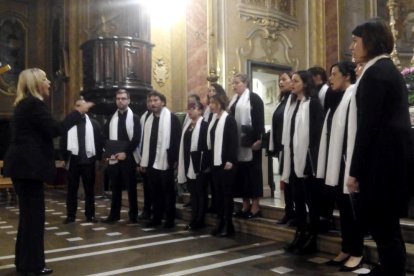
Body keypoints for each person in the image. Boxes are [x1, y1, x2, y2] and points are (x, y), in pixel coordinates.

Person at [3, 68, 93, 275]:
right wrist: (78, 112)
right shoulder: (34, 104)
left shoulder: (24, 104)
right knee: (33, 219)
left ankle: (25, 263)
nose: (49, 83)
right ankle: (32, 266)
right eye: (45, 79)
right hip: (28, 169)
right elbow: (55, 129)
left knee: (29, 218)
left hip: (24, 168)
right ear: (36, 83)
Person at [347, 18, 413, 276]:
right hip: (390, 163)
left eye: (355, 41)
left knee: (383, 227)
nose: (351, 47)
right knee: (388, 227)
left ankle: (392, 270)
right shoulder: (386, 70)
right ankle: (389, 267)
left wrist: (354, 171)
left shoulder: (375, 73)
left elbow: (367, 128)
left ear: (370, 41)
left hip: (381, 166)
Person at [316, 61, 364, 271]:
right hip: (337, 163)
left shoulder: (354, 94)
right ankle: (346, 248)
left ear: (347, 76)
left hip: (348, 162)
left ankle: (357, 252)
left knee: (352, 210)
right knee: (343, 209)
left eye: (335, 74)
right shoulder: (338, 98)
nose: (331, 78)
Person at [281, 70, 324, 255]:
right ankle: (300, 233)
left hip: (307, 160)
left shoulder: (313, 104)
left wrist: (309, 159)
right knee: (297, 199)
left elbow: (316, 135)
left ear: (305, 84)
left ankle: (312, 237)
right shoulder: (293, 104)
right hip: (293, 158)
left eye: (296, 81)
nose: (292, 84)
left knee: (311, 202)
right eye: (292, 81)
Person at [140, 90, 181, 228]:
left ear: (162, 102)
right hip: (151, 161)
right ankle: (156, 217)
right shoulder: (148, 119)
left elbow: (176, 141)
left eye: (156, 100)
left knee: (168, 192)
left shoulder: (172, 118)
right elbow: (145, 141)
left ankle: (170, 219)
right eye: (150, 101)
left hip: (166, 160)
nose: (153, 103)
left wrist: (173, 160)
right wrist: (143, 161)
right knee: (154, 191)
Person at [60, 99, 103, 224]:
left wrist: (99, 159)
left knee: (89, 190)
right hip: (73, 160)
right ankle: (70, 215)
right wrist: (63, 157)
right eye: (78, 105)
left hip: (88, 161)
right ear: (75, 107)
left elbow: (99, 142)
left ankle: (90, 215)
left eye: (83, 105)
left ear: (87, 108)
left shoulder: (94, 124)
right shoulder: (69, 123)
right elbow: (63, 141)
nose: (81, 108)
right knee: (71, 190)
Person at [102, 89, 141, 224]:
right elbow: (106, 137)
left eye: (123, 98)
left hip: (128, 157)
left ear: (129, 100)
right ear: (116, 100)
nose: (120, 101)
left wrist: (126, 152)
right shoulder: (111, 119)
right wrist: (107, 153)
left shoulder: (134, 117)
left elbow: (136, 139)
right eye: (118, 98)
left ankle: (133, 215)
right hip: (114, 157)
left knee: (131, 188)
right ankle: (114, 215)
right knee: (115, 187)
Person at [230, 73, 265, 219]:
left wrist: (259, 139)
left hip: (251, 142)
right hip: (238, 143)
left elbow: (259, 121)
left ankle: (255, 207)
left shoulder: (254, 99)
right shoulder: (234, 100)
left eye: (237, 83)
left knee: (253, 175)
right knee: (241, 175)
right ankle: (245, 205)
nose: (234, 86)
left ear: (245, 83)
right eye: (233, 83)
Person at [207, 93, 238, 236]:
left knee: (226, 195)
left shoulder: (229, 119)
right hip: (215, 162)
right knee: (217, 194)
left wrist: (230, 160)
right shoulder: (213, 119)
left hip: (226, 163)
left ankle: (228, 224)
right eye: (210, 102)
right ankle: (220, 222)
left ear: (220, 103)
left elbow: (233, 142)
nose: (211, 105)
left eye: (213, 102)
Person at [177, 98, 209, 230]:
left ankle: (200, 220)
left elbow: (207, 147)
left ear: (200, 110)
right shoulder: (188, 127)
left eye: (193, 108)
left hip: (200, 165)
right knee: (193, 194)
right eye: (188, 108)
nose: (190, 111)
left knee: (201, 194)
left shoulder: (205, 125)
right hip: (188, 164)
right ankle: (194, 219)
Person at [269, 72, 296, 225]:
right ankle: (288, 211)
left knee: (291, 182)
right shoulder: (283, 101)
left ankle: (294, 214)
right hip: (281, 147)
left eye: (284, 79)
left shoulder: (293, 100)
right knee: (285, 181)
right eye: (279, 80)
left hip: (290, 148)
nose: (281, 82)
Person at [203, 82, 226, 214]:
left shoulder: (225, 116)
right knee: (213, 182)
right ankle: (214, 204)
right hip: (211, 151)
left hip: (221, 154)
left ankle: (220, 209)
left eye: (213, 90)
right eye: (209, 91)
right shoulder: (209, 112)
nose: (210, 93)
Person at [137, 98, 152, 220]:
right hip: (144, 156)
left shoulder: (163, 117)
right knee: (146, 186)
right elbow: (141, 139)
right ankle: (147, 209)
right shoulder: (143, 117)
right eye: (148, 101)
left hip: (156, 158)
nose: (150, 104)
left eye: (153, 101)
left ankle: (157, 209)